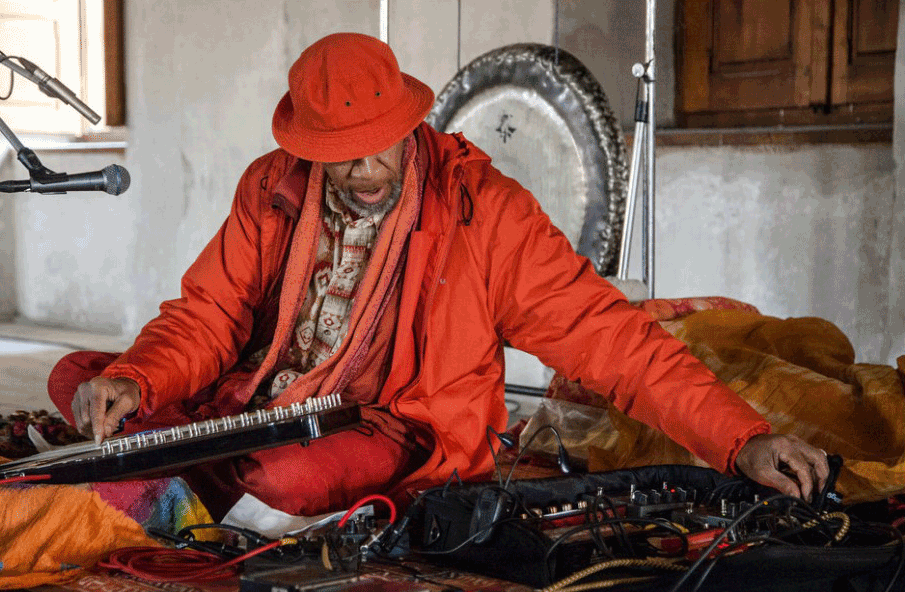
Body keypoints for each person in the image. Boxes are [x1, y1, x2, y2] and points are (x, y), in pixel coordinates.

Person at [48, 33, 829, 521]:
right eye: (342, 151)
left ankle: (173, 476)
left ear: (409, 120)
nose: (364, 168)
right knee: (83, 380)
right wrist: (136, 375)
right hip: (257, 399)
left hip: (389, 427)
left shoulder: (484, 210)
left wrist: (743, 440)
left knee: (277, 479)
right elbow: (207, 316)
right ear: (308, 145)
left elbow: (611, 340)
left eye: (378, 142)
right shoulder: (271, 184)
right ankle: (173, 462)